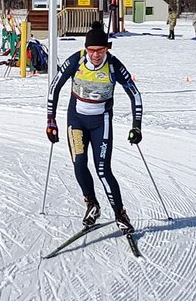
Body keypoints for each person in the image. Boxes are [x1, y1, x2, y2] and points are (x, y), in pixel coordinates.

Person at [46, 21, 142, 231]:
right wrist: (50, 121)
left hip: (101, 122)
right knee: (79, 163)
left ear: (107, 48)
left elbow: (135, 94)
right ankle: (92, 204)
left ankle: (120, 213)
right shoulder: (77, 61)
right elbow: (54, 87)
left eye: (100, 50)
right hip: (77, 121)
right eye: (91, 50)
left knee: (102, 169)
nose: (95, 55)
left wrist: (136, 126)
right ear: (86, 48)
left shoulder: (114, 66)